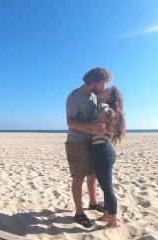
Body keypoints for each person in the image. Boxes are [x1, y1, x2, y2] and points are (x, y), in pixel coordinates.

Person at [65, 67, 113, 228]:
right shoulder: (74, 96)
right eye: (102, 84)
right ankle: (79, 213)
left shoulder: (94, 96)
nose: (103, 87)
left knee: (92, 175)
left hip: (91, 142)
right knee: (78, 177)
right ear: (92, 82)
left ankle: (93, 203)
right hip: (76, 142)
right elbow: (70, 122)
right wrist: (91, 127)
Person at [92, 86, 126, 228]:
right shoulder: (114, 111)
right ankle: (106, 215)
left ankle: (113, 220)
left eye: (107, 89)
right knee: (105, 186)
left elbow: (98, 125)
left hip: (102, 152)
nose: (103, 89)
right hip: (104, 151)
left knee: (107, 188)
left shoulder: (103, 106)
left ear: (110, 96)